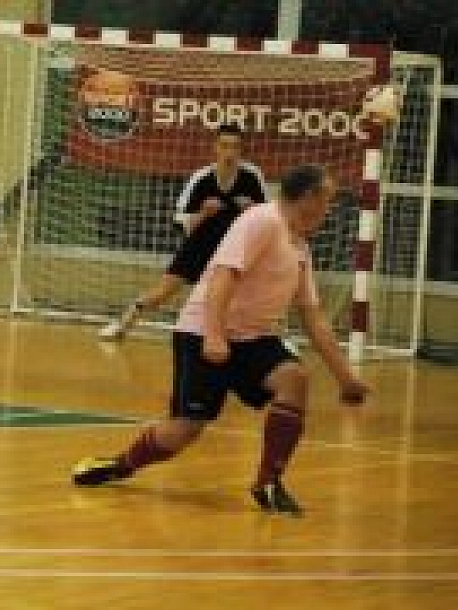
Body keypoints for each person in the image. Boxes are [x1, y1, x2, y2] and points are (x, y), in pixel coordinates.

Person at [74, 164, 369, 516]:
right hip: (202, 331)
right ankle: (121, 465)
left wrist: (345, 378)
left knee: (294, 378)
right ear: (309, 197)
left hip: (254, 338)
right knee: (184, 430)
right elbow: (222, 278)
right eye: (328, 200)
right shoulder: (262, 221)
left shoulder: (300, 247)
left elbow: (313, 317)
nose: (329, 209)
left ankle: (268, 483)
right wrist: (214, 335)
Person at [99, 123, 267, 339]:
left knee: (255, 294)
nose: (229, 152)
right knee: (162, 292)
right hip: (199, 245)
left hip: (233, 251)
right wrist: (203, 213)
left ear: (241, 150)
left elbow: (269, 219)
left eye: (235, 147)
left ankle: (272, 337)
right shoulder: (201, 178)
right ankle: (123, 324)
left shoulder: (252, 176)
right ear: (215, 147)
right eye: (224, 146)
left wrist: (252, 209)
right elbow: (181, 223)